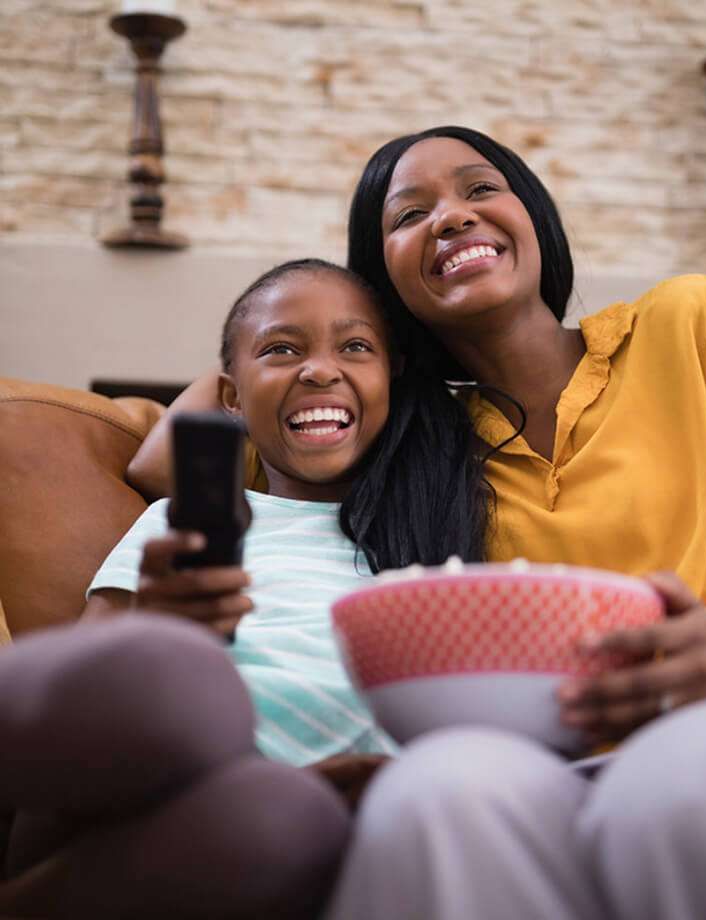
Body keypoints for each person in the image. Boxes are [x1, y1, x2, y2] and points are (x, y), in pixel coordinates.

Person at [320, 126, 706, 920]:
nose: (451, 218)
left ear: (533, 218)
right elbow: (202, 424)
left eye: (480, 190)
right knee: (431, 798)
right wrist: (355, 334)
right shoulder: (405, 454)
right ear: (383, 281)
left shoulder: (688, 322)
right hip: (543, 769)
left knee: (673, 787)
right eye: (409, 215)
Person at [0, 256, 493, 920]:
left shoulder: (435, 538)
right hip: (162, 761)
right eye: (283, 349)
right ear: (230, 397)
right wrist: (160, 623)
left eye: (355, 347)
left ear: (393, 378)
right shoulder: (181, 527)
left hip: (291, 815)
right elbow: (87, 681)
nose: (319, 370)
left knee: (279, 818)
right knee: (175, 665)